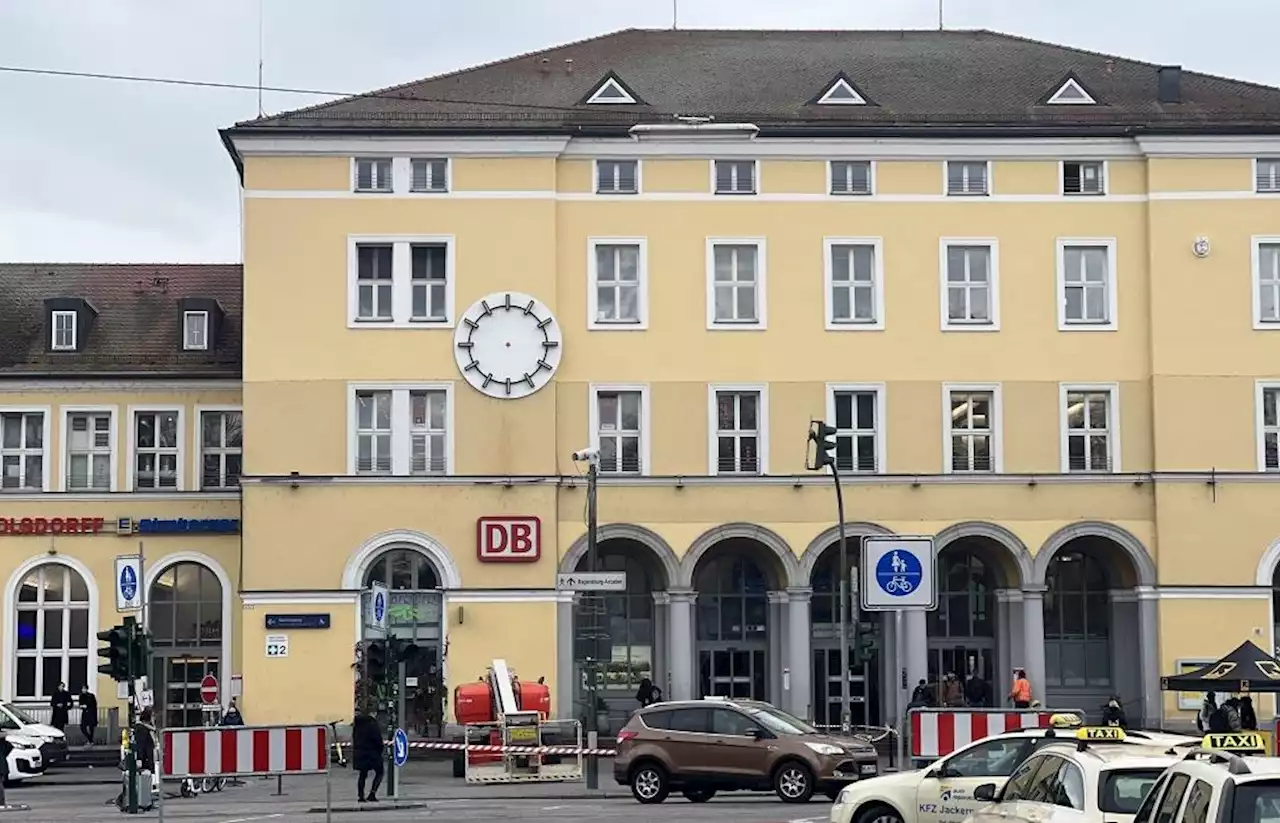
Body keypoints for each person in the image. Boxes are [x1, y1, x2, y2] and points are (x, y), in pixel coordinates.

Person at [351, 712, 384, 803]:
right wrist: (380, 751)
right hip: (372, 753)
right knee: (380, 772)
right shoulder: (373, 724)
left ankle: (361, 796)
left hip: (360, 753)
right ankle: (372, 794)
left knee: (362, 774)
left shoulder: (358, 725)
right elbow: (378, 739)